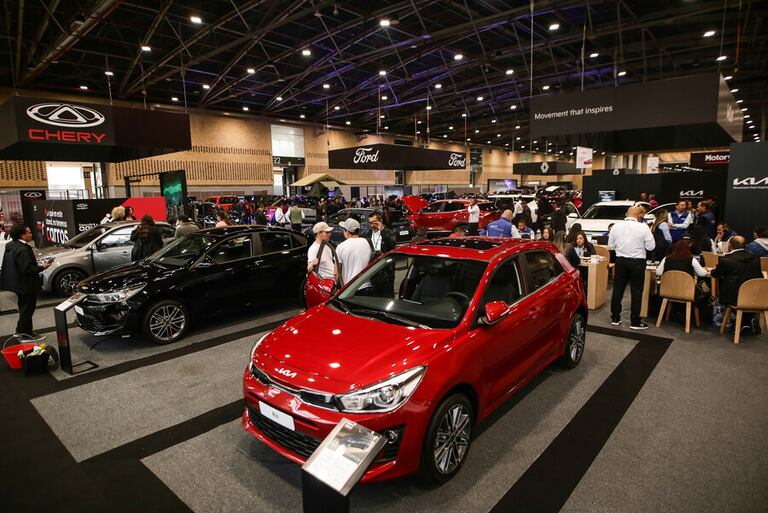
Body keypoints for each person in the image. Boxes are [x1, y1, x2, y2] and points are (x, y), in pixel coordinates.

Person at [608, 205, 655, 329]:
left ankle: (615, 317)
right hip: (637, 262)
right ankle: (635, 321)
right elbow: (651, 247)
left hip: (621, 261)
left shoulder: (616, 226)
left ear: (627, 214)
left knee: (617, 289)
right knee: (636, 291)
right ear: (640, 215)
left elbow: (611, 246)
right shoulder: (644, 227)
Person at [0, 225, 51, 336]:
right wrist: (42, 267)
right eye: (28, 232)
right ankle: (22, 332)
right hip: (26, 285)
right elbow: (27, 269)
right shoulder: (23, 249)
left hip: (17, 284)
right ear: (22, 235)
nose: (31, 234)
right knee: (27, 310)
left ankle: (27, 331)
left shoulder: (12, 245)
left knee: (24, 308)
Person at [711, 236, 763, 335]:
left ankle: (743, 323)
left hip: (734, 298)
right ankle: (747, 320)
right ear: (745, 246)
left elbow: (715, 274)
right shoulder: (755, 258)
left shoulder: (726, 261)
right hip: (756, 296)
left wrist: (713, 269)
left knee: (727, 290)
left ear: (729, 246)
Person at [335, 219, 372, 286]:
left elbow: (336, 273)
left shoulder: (340, 247)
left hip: (349, 289)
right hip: (366, 285)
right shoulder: (367, 242)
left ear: (347, 232)